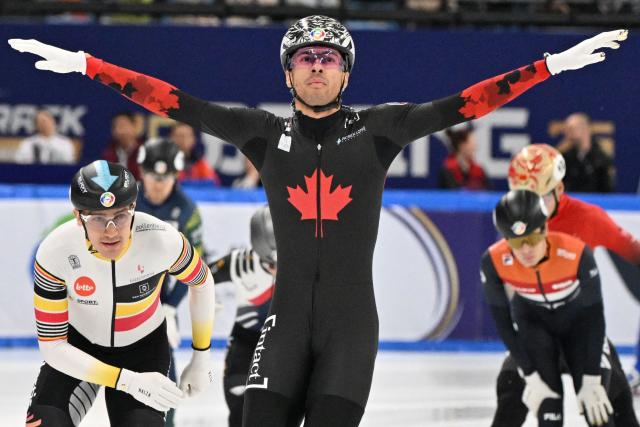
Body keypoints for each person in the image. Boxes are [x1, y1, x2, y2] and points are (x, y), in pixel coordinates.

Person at [9, 22, 628, 426]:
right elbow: (173, 100)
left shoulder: (380, 131)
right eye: (304, 58)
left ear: (346, 72)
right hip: (283, 326)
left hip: (351, 329)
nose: (316, 67)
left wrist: (550, 65)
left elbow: (465, 103)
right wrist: (88, 64)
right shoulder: (260, 132)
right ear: (287, 72)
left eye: (329, 59)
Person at [25, 160, 215, 426]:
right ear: (78, 217)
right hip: (79, 347)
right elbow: (53, 346)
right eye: (98, 219)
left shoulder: (163, 240)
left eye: (120, 216)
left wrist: (201, 357)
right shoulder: (54, 252)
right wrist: (128, 381)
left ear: (133, 209)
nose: (111, 231)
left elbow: (202, 282)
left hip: (143, 350)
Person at [491, 143, 640, 427]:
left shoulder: (589, 218)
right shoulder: (513, 217)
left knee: (612, 408)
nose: (531, 209)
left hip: (582, 331)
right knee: (510, 391)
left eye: (540, 198)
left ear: (559, 190)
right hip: (536, 332)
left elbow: (635, 252)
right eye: (524, 197)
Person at [483, 189, 613, 426]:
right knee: (533, 402)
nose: (526, 250)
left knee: (605, 408)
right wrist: (530, 375)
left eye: (531, 239)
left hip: (579, 330)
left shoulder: (576, 252)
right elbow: (503, 323)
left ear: (544, 229)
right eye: (516, 242)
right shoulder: (493, 261)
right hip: (535, 330)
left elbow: (595, 317)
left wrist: (592, 378)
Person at [135, 138, 207, 427]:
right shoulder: (126, 199)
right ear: (141, 173)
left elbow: (194, 266)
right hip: (119, 291)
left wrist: (170, 307)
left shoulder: (187, 210)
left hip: (160, 296)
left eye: (165, 178)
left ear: (177, 176)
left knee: (162, 357)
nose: (158, 184)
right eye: (153, 177)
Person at [208, 205, 277, 427]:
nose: (278, 270)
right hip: (245, 341)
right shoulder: (241, 263)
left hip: (286, 344)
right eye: (271, 264)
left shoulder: (307, 264)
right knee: (239, 408)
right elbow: (199, 275)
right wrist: (204, 299)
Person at [560, 113, 615, 193]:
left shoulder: (601, 159)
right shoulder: (565, 158)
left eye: (571, 129)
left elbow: (607, 190)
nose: (567, 133)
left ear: (585, 129)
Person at [438, 123, 490, 190]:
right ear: (461, 145)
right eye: (471, 143)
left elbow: (489, 193)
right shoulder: (447, 170)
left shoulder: (479, 171)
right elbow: (452, 193)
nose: (475, 147)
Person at [102, 111, 144, 179]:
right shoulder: (108, 154)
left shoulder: (145, 152)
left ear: (135, 127)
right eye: (115, 127)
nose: (119, 131)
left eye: (123, 126)